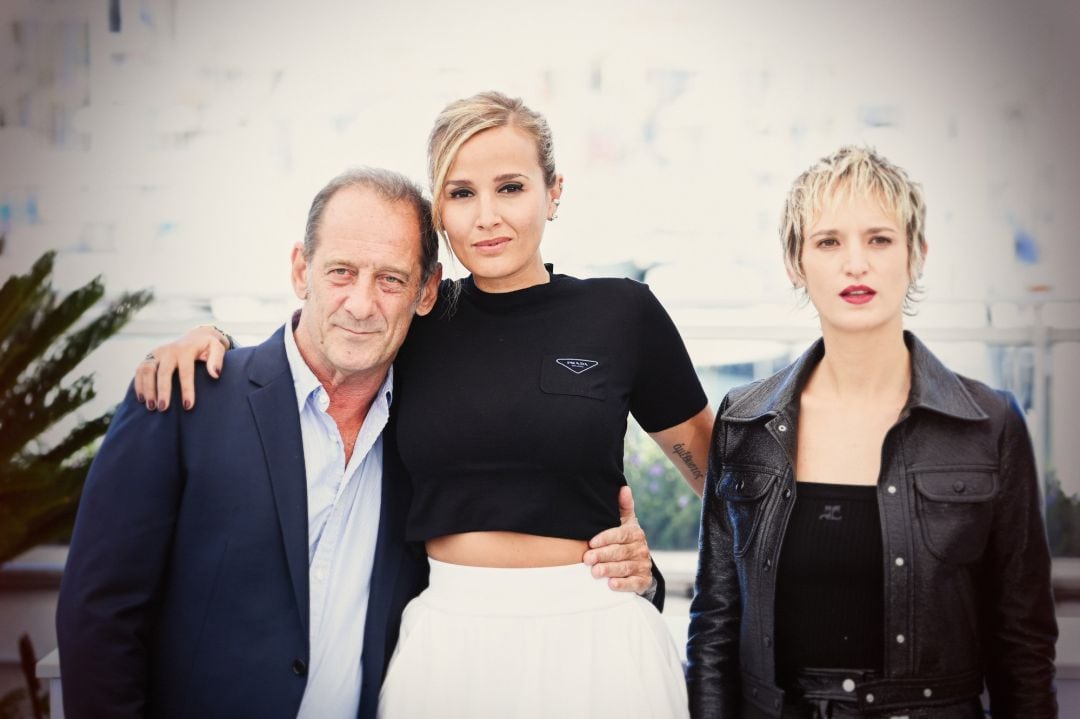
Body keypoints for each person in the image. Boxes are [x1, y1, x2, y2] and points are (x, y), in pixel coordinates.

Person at [136, 91, 714, 718]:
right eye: (461, 193)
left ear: (553, 192)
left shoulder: (622, 314)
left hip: (598, 635)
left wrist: (650, 574)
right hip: (446, 641)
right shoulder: (417, 320)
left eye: (511, 187)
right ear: (439, 210)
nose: (487, 216)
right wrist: (211, 342)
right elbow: (317, 347)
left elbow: (724, 487)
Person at [56, 167, 653, 719]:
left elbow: (505, 536)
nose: (361, 304)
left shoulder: (427, 436)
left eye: (391, 279)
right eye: (340, 272)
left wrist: (628, 567)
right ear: (300, 271)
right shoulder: (185, 397)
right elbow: (99, 619)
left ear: (425, 293)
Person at [686, 146, 1058, 718]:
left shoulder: (990, 424)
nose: (855, 264)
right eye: (829, 242)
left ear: (917, 255)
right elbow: (715, 624)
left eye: (879, 239)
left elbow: (1023, 642)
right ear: (795, 262)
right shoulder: (745, 421)